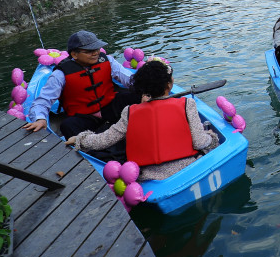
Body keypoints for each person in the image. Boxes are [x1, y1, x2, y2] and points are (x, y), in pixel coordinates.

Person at [64, 60, 219, 180]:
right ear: (169, 84)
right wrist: (211, 136)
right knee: (209, 139)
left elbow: (103, 140)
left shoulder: (129, 112)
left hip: (149, 176)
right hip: (189, 166)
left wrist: (79, 139)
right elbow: (200, 142)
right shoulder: (187, 104)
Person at [23, 31, 140, 138]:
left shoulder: (107, 60)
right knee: (67, 126)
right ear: (74, 54)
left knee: (138, 95)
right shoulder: (60, 74)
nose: (95, 53)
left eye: (97, 49)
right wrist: (40, 119)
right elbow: (43, 100)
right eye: (89, 51)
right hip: (84, 117)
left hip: (110, 107)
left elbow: (129, 79)